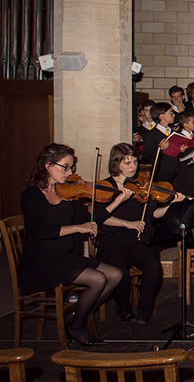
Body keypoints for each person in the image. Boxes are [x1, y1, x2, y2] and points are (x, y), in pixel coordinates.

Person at [20, 144, 123, 346]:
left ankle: (78, 317)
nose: (70, 173)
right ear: (48, 166)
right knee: (97, 279)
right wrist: (77, 228)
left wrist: (117, 200)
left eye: (71, 168)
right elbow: (39, 232)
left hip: (66, 257)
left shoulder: (68, 193)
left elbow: (92, 217)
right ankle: (77, 326)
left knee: (115, 275)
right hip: (41, 262)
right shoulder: (31, 195)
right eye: (65, 167)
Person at [95, 143, 184, 324]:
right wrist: (126, 222)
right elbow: (99, 217)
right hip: (112, 239)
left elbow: (153, 214)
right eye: (127, 163)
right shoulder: (105, 186)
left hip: (138, 238)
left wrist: (170, 206)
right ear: (116, 163)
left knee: (154, 269)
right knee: (120, 273)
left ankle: (145, 311)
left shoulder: (142, 186)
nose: (133, 167)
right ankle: (124, 310)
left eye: (135, 162)